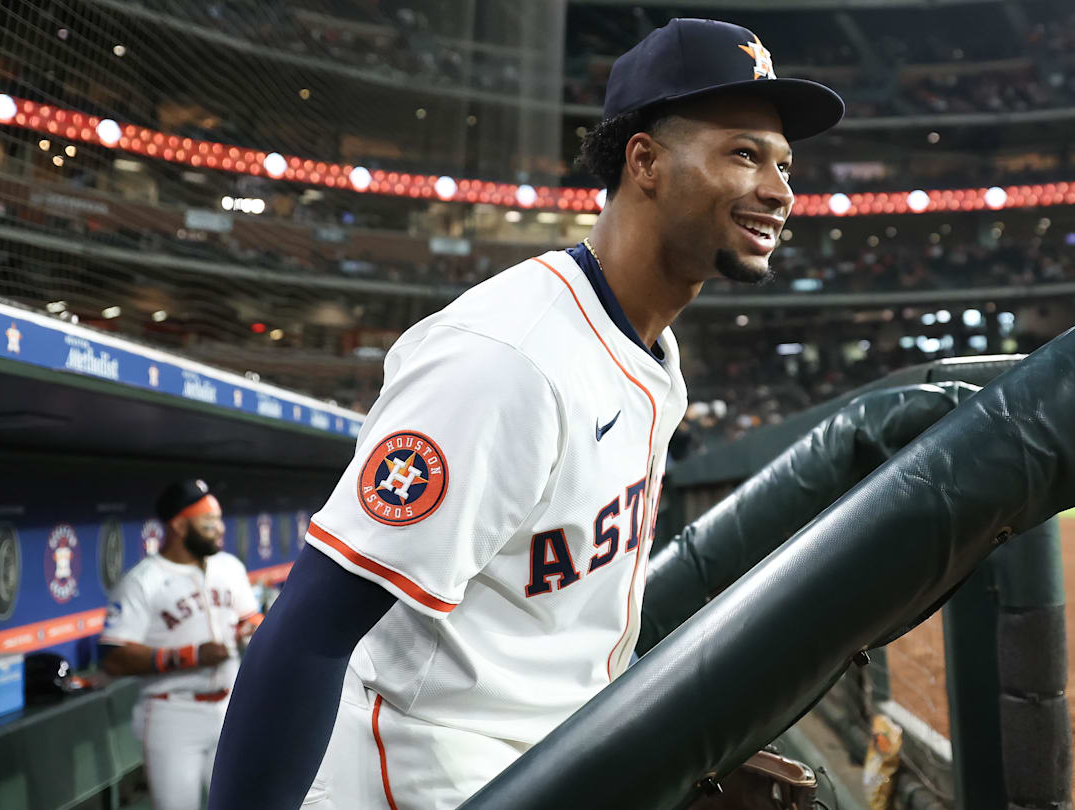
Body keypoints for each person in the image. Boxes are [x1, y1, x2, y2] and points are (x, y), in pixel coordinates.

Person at [209, 18, 843, 810]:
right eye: (744, 154)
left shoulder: (651, 351)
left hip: (545, 765)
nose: (780, 190)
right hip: (424, 781)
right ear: (644, 161)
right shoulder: (508, 359)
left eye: (784, 163)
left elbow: (556, 634)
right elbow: (306, 634)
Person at [101, 480, 262, 810]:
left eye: (219, 520)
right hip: (172, 713)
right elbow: (114, 658)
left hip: (229, 709)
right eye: (208, 523)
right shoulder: (144, 580)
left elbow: (250, 619)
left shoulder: (229, 567)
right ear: (178, 525)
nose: (219, 530)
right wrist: (187, 655)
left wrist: (255, 629)